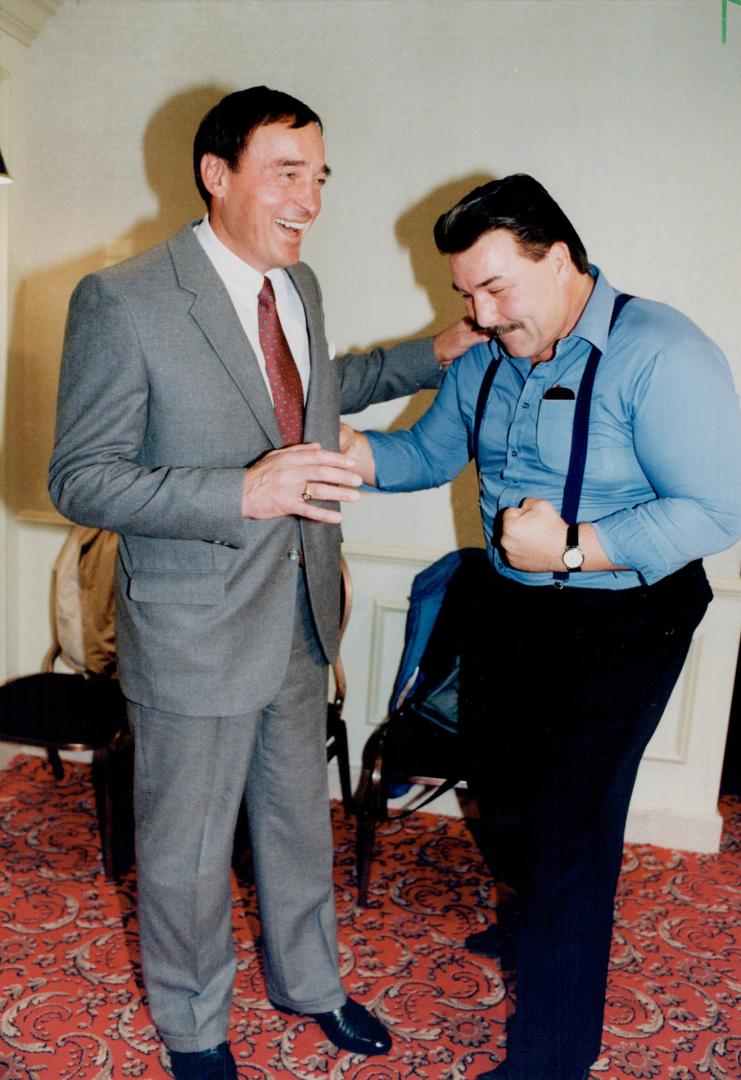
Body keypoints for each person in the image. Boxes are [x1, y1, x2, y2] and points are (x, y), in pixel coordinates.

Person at [48, 86, 483, 1080]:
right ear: (217, 173)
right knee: (190, 855)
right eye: (288, 173)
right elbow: (78, 476)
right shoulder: (124, 300)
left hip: (299, 616)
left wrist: (431, 354)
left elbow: (320, 382)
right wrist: (239, 492)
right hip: (195, 631)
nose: (310, 198)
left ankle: (311, 985)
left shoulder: (303, 286)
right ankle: (196, 1027)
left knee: (297, 826)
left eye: (319, 176)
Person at [340, 173, 741, 1080]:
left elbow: (718, 509)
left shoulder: (660, 352)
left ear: (558, 260)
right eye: (465, 295)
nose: (478, 315)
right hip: (509, 601)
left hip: (628, 615)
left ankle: (551, 1061)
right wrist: (351, 457)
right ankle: (532, 917)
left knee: (570, 825)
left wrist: (574, 544)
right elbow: (428, 454)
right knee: (500, 781)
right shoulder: (485, 356)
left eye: (495, 288)